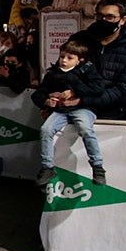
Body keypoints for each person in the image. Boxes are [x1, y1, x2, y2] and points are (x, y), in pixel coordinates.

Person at [32, 39, 107, 185]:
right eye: (62, 56)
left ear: (80, 60)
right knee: (46, 130)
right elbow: (38, 93)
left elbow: (98, 89)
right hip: (61, 111)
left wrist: (75, 92)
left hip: (83, 108)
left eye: (69, 58)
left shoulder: (88, 71)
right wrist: (47, 100)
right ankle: (47, 167)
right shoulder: (53, 73)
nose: (64, 61)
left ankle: (97, 167)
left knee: (86, 129)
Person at [64, 0, 126, 120]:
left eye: (110, 17)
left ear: (123, 20)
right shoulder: (79, 40)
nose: (104, 20)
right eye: (100, 16)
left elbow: (124, 91)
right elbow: (62, 72)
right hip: (72, 111)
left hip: (112, 117)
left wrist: (84, 100)